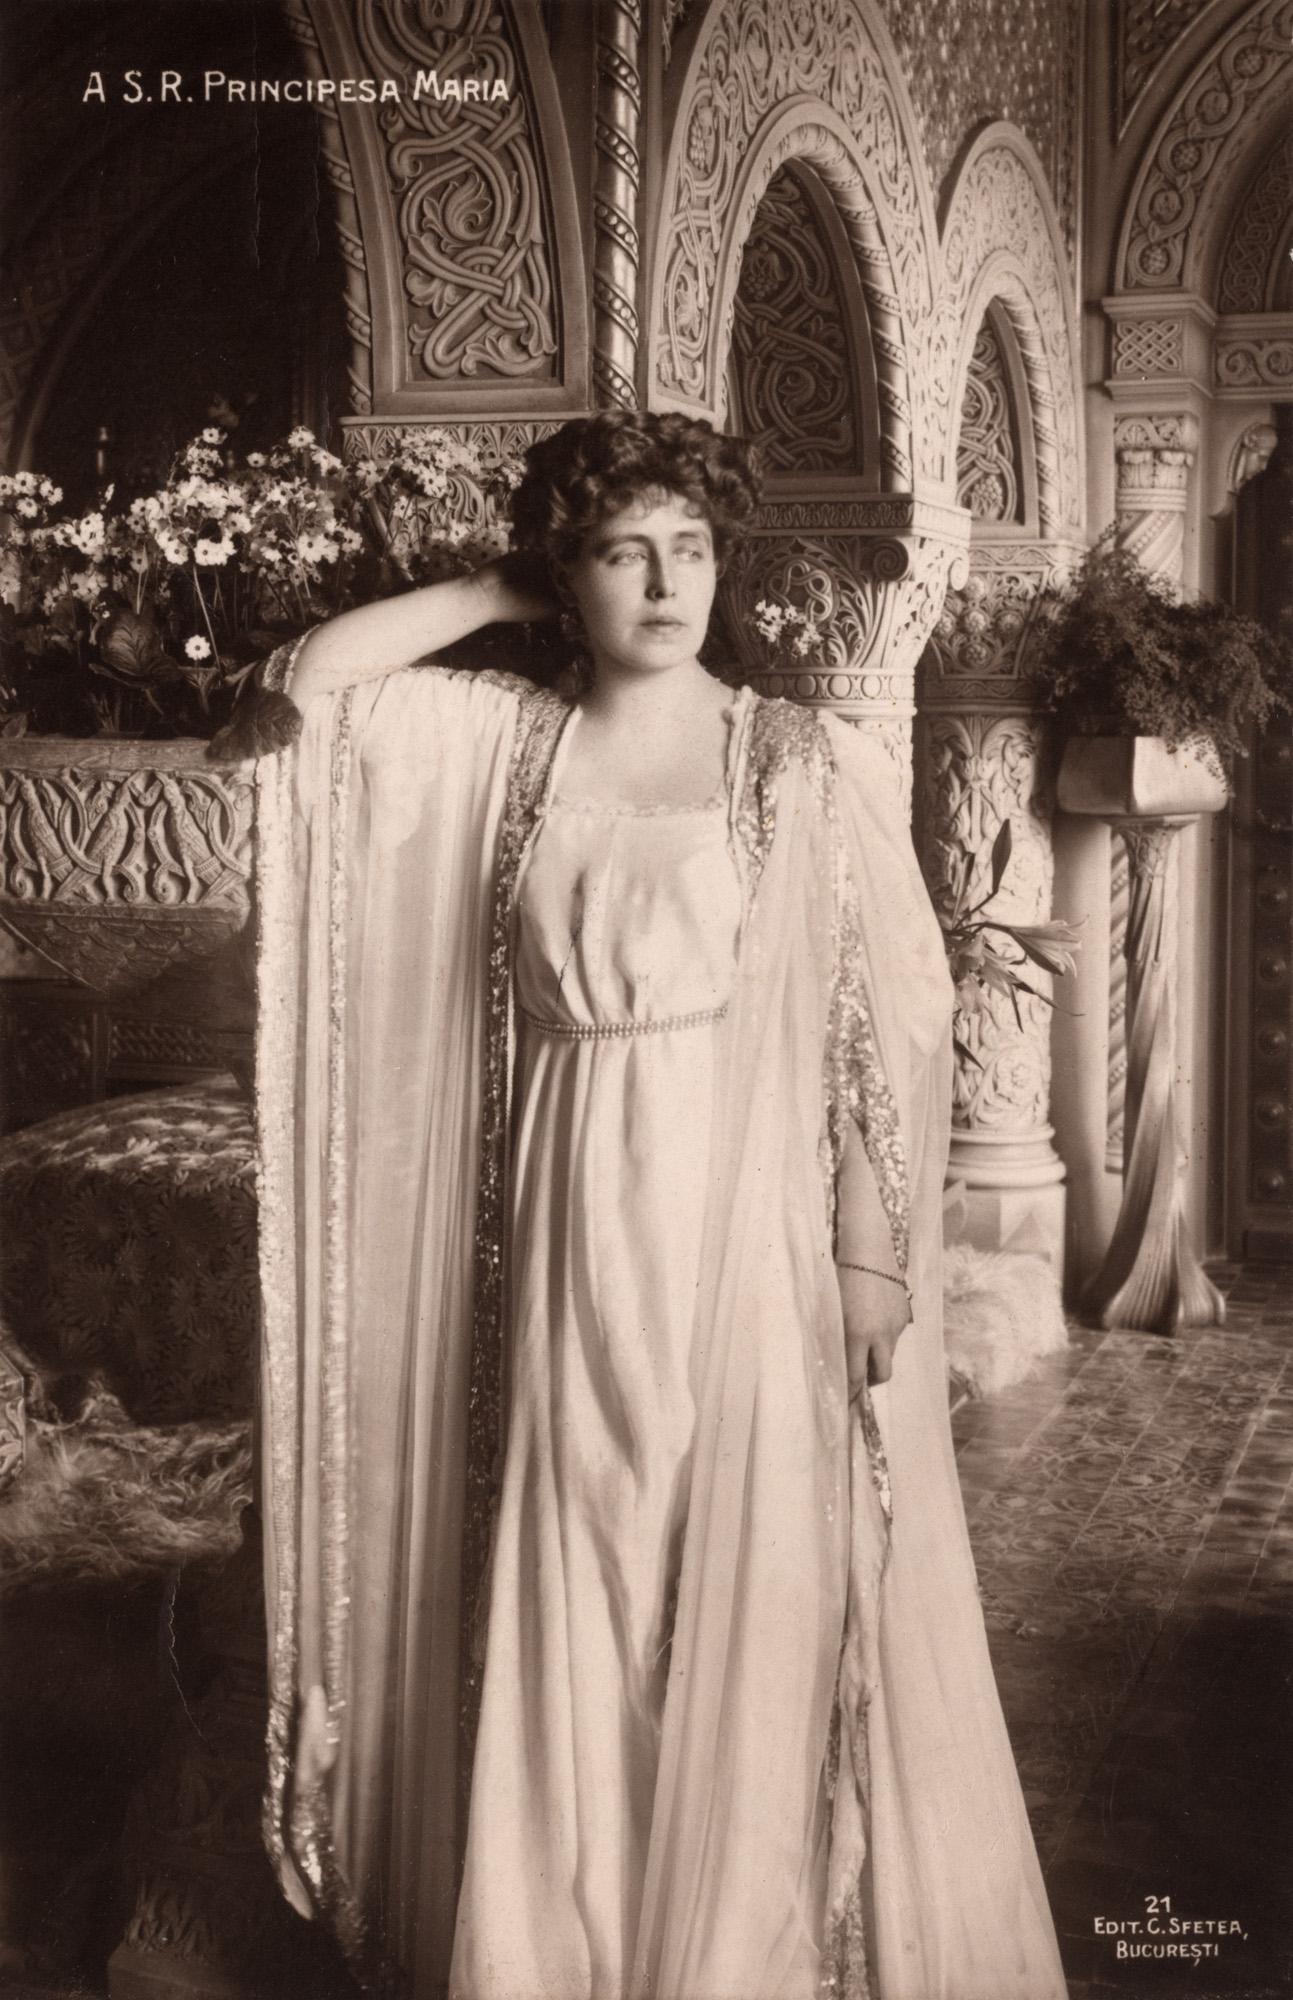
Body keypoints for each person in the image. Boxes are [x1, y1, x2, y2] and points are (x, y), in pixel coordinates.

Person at [239, 411, 1067, 2000]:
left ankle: (733, 1942)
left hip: (742, 1217)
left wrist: (868, 1254)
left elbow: (860, 1031)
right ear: (570, 575)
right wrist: (502, 586)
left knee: (739, 1554)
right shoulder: (507, 745)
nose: (665, 582)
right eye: (622, 552)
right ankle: (567, 1942)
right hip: (567, 1212)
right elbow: (308, 684)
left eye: (689, 547)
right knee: (586, 1541)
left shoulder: (788, 759)